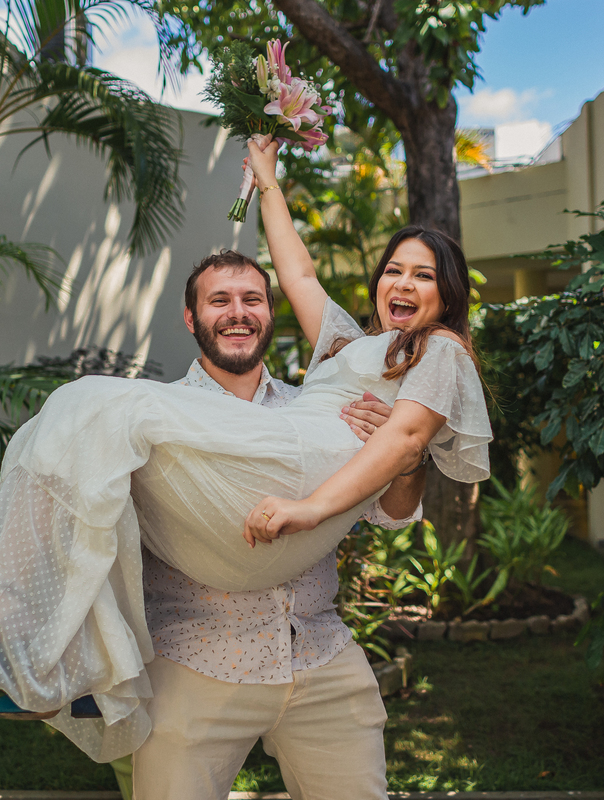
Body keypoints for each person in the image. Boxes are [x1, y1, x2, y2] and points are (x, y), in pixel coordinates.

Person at [0, 138, 491, 767]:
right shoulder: (347, 345)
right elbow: (298, 273)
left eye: (423, 275)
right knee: (78, 429)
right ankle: (51, 656)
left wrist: (313, 508)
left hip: (300, 489)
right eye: (394, 270)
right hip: (211, 624)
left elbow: (406, 440)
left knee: (91, 404)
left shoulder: (441, 350)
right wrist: (268, 180)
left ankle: (27, 643)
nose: (403, 283)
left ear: (448, 295)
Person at [132, 248, 424, 800]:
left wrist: (402, 456)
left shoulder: (321, 410)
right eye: (219, 301)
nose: (238, 313)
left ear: (270, 313)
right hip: (196, 662)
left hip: (322, 657)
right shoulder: (155, 418)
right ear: (191, 318)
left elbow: (392, 515)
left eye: (252, 300)